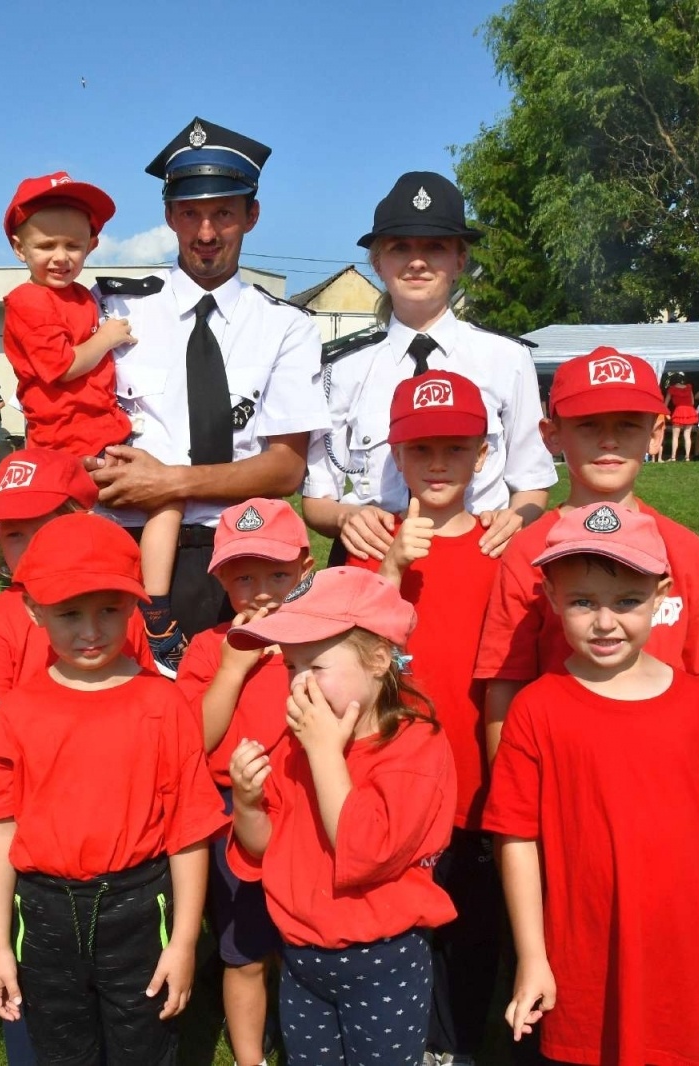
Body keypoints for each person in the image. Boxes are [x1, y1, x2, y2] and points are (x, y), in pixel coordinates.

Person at [484, 503, 699, 1064]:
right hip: (582, 964)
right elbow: (516, 838)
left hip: (688, 963)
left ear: (664, 596)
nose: (605, 623)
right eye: (582, 602)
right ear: (550, 598)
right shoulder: (536, 710)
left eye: (627, 601)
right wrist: (533, 957)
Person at [0, 513, 226, 1064]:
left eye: (110, 609)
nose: (91, 630)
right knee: (62, 1050)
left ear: (134, 605)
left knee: (145, 1047)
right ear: (35, 611)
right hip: (42, 911)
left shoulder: (165, 706)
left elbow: (189, 831)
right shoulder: (15, 714)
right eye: (70, 613)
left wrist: (183, 942)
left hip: (138, 905)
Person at [0, 448, 157, 1066]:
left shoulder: (119, 617)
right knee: (36, 997)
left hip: (118, 841)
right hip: (31, 841)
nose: (25, 547)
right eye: (10, 534)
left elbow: (142, 715)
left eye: (39, 528)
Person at [93, 117, 330, 644]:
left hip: (241, 557)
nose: (205, 233)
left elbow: (287, 467)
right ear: (169, 217)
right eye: (190, 213)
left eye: (223, 212)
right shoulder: (112, 309)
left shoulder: (286, 326)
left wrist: (171, 482)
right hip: (125, 547)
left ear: (252, 215)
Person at [225, 566, 456, 1065]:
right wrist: (247, 804)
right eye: (290, 667)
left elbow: (369, 850)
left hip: (381, 959)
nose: (299, 684)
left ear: (378, 660)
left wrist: (326, 755)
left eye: (316, 665)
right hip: (302, 952)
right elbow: (266, 847)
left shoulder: (414, 746)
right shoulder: (302, 740)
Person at [343, 369, 504, 1064]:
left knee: (471, 927)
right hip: (392, 779)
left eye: (456, 448)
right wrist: (387, 570)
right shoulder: (368, 541)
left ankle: (459, 1043)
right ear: (397, 457)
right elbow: (348, 654)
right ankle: (406, 1042)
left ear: (483, 455)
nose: (438, 465)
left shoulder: (503, 545)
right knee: (401, 926)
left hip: (474, 775)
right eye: (421, 450)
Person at [477, 349, 699, 756]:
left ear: (656, 433)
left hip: (664, 768)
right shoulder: (529, 550)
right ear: (552, 435)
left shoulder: (685, 550)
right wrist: (509, 795)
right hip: (562, 768)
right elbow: (505, 684)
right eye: (588, 425)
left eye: (627, 424)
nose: (608, 440)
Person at [303, 171, 555, 567]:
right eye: (400, 247)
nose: (417, 262)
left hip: (478, 559)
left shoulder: (507, 359)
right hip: (372, 559)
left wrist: (515, 520)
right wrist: (345, 517)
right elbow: (318, 498)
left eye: (435, 247)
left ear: (460, 260)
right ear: (377, 262)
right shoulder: (343, 369)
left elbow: (533, 483)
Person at [1, 171, 192, 668]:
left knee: (165, 498)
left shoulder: (82, 297)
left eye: (73, 244)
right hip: (69, 444)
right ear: (19, 249)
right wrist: (108, 338)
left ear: (92, 245)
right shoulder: (27, 300)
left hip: (104, 432)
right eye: (45, 245)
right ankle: (141, 611)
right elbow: (60, 366)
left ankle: (147, 609)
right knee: (142, 511)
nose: (60, 256)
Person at [174, 498, 313, 1066]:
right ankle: (251, 1056)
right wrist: (234, 666)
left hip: (306, 803)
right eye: (245, 576)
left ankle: (310, 1041)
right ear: (222, 578)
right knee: (244, 949)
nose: (262, 591)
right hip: (230, 810)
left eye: (278, 574)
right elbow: (197, 740)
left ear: (306, 568)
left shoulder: (321, 640)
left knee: (306, 942)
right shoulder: (210, 647)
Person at [665, 371, 698, 461]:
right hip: (689, 411)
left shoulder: (672, 389)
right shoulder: (689, 387)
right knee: (687, 435)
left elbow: (666, 403)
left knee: (675, 436)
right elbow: (692, 402)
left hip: (679, 411)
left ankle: (673, 457)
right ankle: (687, 457)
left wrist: (666, 413)